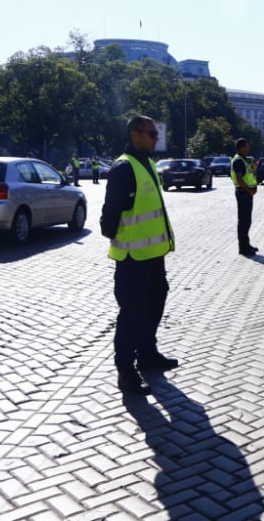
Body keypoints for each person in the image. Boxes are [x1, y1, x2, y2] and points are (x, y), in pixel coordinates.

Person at [100, 115, 177, 395]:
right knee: (131, 314)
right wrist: (117, 235)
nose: (156, 138)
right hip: (132, 257)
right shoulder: (124, 168)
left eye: (156, 134)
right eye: (151, 134)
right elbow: (109, 215)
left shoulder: (147, 164)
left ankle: (147, 354)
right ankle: (126, 371)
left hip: (154, 254)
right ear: (135, 135)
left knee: (154, 305)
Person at [231, 138, 258, 257]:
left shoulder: (243, 159)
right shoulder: (238, 161)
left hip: (246, 193)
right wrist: (249, 190)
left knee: (247, 221)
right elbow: (239, 179)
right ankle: (243, 248)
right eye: (247, 146)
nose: (249, 148)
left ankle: (246, 244)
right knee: (243, 221)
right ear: (241, 147)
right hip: (243, 193)